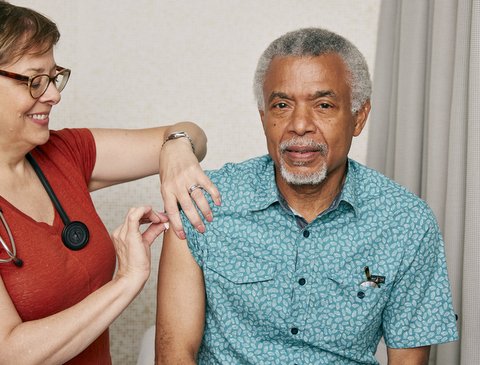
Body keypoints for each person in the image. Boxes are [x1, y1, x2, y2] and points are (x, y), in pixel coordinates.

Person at [155, 27, 458, 365]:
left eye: (324, 105)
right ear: (263, 117)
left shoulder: (406, 223)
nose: (300, 124)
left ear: (359, 118)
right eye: (282, 105)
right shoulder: (202, 203)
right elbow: (174, 354)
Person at [0, 1, 220, 364]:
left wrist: (177, 146)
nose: (53, 95)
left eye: (55, 78)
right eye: (35, 80)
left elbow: (192, 134)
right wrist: (126, 281)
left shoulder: (65, 152)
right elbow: (11, 354)